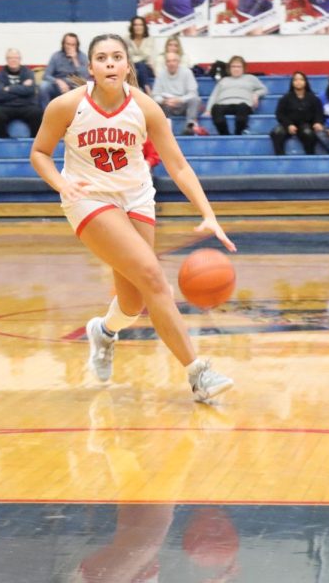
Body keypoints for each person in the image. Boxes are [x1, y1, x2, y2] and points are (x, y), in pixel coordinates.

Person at [29, 33, 235, 402]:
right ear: (90, 67)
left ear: (128, 66)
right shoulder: (66, 106)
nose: (110, 63)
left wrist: (209, 214)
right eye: (102, 58)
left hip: (137, 197)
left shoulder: (146, 107)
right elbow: (40, 153)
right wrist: (63, 184)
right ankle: (198, 374)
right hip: (87, 198)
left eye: (117, 57)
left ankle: (104, 331)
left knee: (134, 302)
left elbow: (179, 165)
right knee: (154, 276)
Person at [0, 49, 42, 138]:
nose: (13, 60)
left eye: (15, 58)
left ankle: (34, 140)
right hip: (6, 106)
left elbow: (30, 90)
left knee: (38, 113)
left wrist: (9, 88)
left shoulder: (27, 72)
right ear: (6, 59)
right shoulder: (1, 74)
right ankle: (4, 139)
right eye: (10, 58)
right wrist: (22, 88)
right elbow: (0, 94)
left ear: (20, 59)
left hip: (26, 105)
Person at [206, 55, 267, 136]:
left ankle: (238, 134)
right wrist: (208, 109)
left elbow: (264, 89)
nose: (236, 69)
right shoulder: (223, 80)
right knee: (216, 109)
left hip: (243, 104)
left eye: (239, 66)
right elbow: (214, 95)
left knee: (242, 112)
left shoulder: (251, 78)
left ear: (243, 68)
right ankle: (225, 135)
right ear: (229, 68)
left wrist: (256, 94)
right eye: (233, 66)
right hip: (223, 104)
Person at [152, 47, 205, 136]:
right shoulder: (161, 74)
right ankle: (165, 131)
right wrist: (164, 101)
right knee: (157, 104)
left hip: (183, 104)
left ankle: (190, 127)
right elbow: (155, 95)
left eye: (174, 61)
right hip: (167, 105)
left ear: (178, 62)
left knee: (195, 100)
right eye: (168, 61)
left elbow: (193, 93)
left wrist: (180, 100)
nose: (171, 63)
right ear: (165, 63)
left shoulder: (187, 72)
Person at [271, 71, 323, 155]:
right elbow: (280, 114)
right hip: (288, 125)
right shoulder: (285, 98)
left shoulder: (313, 98)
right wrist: (288, 125)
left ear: (305, 82)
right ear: (292, 82)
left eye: (301, 79)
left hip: (306, 124)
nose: (298, 82)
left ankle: (310, 157)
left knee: (308, 134)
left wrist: (318, 122)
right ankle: (280, 159)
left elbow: (319, 113)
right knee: (277, 133)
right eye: (295, 80)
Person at [41, 32, 89, 105]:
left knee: (85, 88)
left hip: (75, 86)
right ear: (63, 44)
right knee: (44, 86)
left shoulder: (82, 56)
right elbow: (46, 75)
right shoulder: (56, 56)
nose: (70, 47)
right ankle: (45, 114)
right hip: (58, 86)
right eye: (68, 44)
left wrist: (75, 60)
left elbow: (85, 77)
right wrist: (58, 81)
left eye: (73, 45)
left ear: (77, 45)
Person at [126, 15, 155, 92]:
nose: (138, 27)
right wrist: (141, 58)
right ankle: (147, 89)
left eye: (140, 25)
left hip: (147, 68)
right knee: (139, 66)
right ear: (132, 27)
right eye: (135, 25)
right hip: (132, 67)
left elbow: (149, 56)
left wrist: (136, 59)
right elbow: (128, 57)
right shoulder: (126, 39)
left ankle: (140, 91)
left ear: (144, 27)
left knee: (142, 66)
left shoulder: (150, 39)